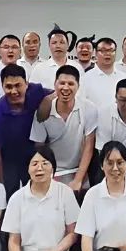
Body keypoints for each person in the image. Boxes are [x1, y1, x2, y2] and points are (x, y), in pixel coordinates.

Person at [0, 64, 51, 195]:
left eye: (18, 85)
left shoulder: (35, 91)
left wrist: (47, 100)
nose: (14, 91)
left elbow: (57, 93)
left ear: (26, 84)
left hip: (35, 155)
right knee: (8, 193)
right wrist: (0, 184)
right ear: (2, 87)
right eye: (9, 87)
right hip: (9, 161)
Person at [31, 65, 97, 193]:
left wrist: (78, 180)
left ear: (78, 86)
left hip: (78, 170)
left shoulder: (89, 108)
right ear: (55, 85)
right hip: (52, 171)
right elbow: (39, 148)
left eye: (71, 84)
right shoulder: (43, 112)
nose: (66, 88)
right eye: (62, 83)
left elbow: (89, 146)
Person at [82, 37, 126, 107]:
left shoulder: (124, 78)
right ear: (95, 53)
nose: (107, 53)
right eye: (103, 50)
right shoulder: (85, 78)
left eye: (111, 50)